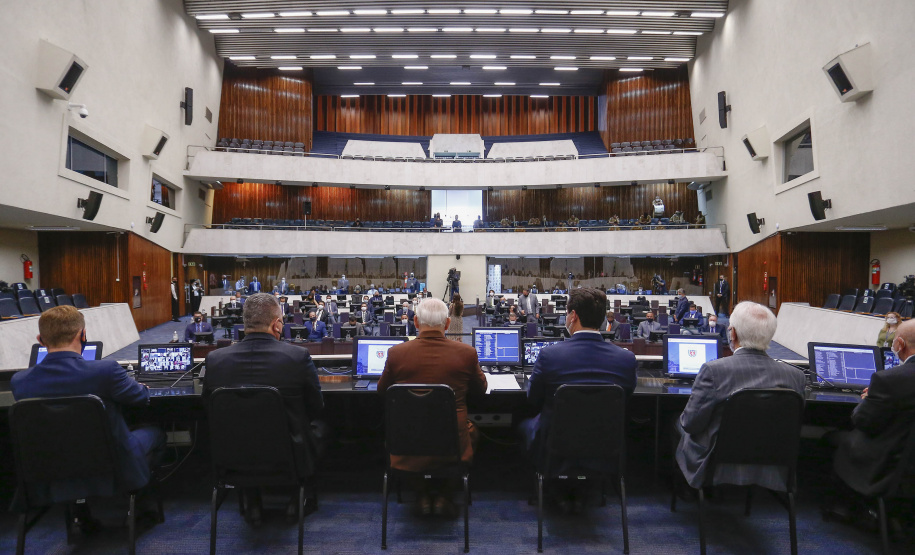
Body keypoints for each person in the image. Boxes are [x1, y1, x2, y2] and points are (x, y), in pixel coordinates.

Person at [11, 306, 166, 526]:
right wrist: (140, 387)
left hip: (52, 465)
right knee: (155, 433)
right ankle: (141, 505)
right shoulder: (106, 371)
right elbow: (141, 398)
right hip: (113, 464)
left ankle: (81, 512)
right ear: (82, 335)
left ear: (40, 339)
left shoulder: (20, 381)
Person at [204, 293, 325, 525]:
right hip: (288, 455)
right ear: (277, 324)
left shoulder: (215, 360)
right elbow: (316, 407)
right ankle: (297, 498)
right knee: (319, 428)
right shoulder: (297, 357)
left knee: (246, 432)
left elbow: (208, 408)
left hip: (232, 456)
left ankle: (253, 502)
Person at [520, 288, 638, 513]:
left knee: (525, 426)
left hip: (556, 445)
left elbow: (532, 398)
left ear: (573, 316)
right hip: (606, 447)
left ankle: (551, 490)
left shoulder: (550, 355)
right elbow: (627, 396)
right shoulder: (626, 359)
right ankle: (588, 488)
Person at [675, 301, 807, 491]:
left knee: (676, 422)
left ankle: (684, 491)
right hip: (773, 462)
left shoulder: (714, 370)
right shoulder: (796, 376)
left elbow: (691, 423)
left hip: (716, 463)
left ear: (733, 333)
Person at [377, 298, 487, 516]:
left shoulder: (396, 353)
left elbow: (383, 391)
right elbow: (481, 389)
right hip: (452, 444)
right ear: (447, 324)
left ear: (416, 322)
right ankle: (445, 495)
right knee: (472, 430)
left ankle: (422, 494)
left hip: (407, 443)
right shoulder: (466, 353)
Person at [833, 319, 915, 498]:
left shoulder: (888, 379)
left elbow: (863, 422)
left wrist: (869, 399)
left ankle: (844, 503)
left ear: (900, 344)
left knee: (834, 438)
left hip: (886, 462)